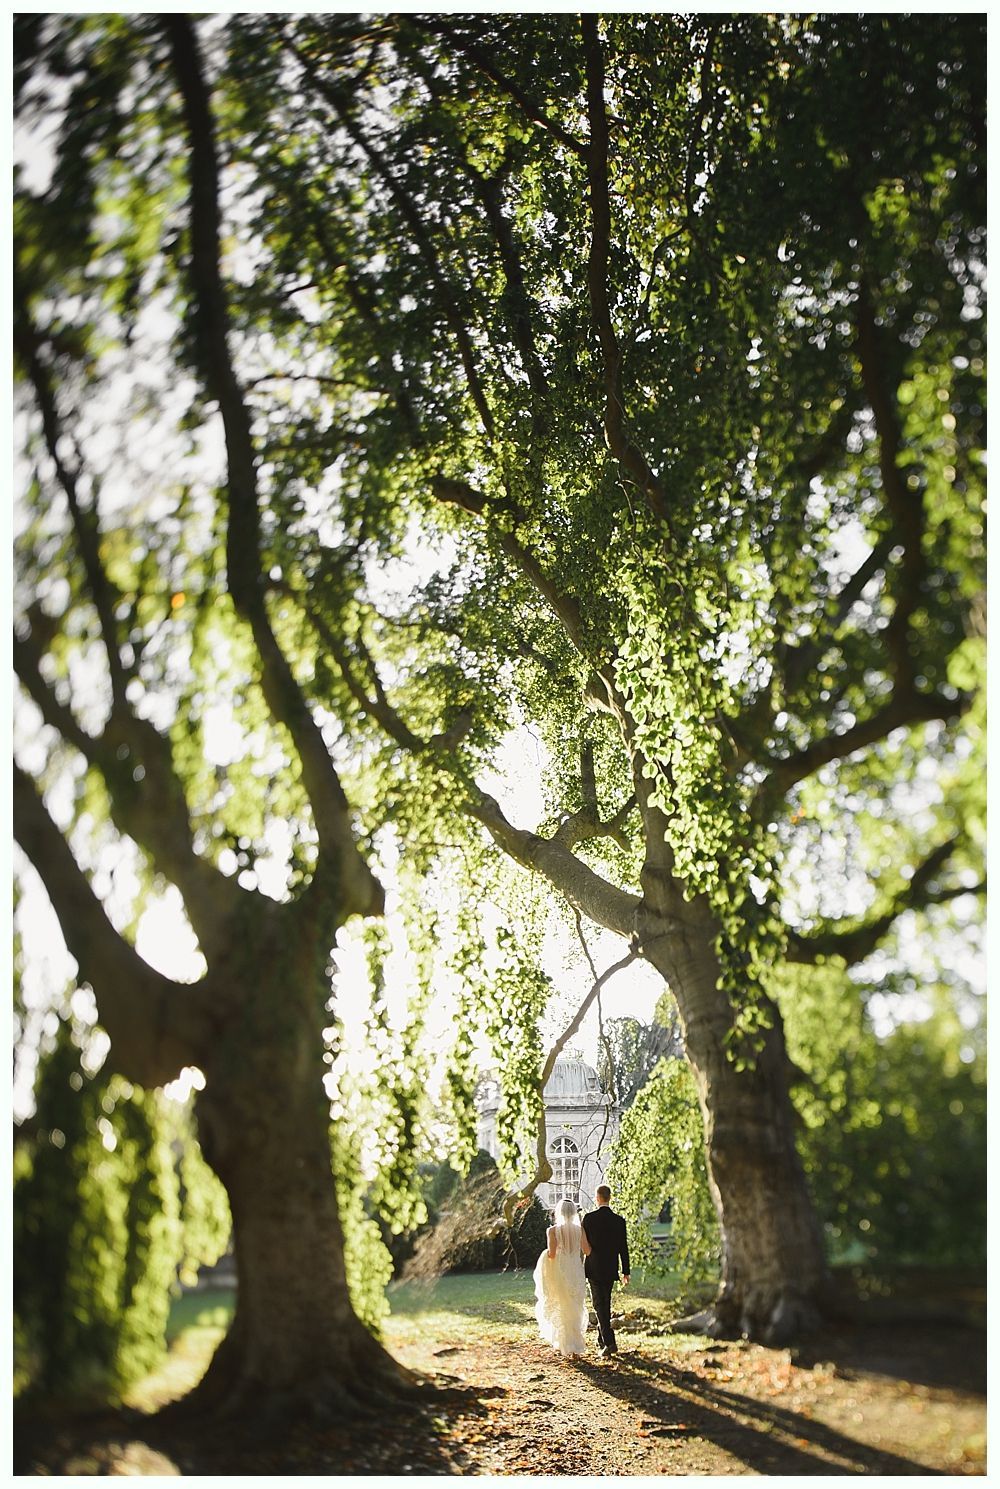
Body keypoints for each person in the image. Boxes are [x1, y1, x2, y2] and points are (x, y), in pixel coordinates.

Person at [532, 1197, 591, 1359]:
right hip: (576, 1270)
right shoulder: (580, 1230)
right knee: (576, 1306)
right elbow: (587, 1251)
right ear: (574, 1212)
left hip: (561, 1270)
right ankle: (576, 1346)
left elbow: (551, 1254)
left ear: (558, 1212)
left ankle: (566, 1344)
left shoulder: (552, 1231)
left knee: (563, 1306)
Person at [582, 1184, 630, 1356]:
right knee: (605, 1303)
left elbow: (584, 1245)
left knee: (598, 1304)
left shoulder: (588, 1219)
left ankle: (610, 1343)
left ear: (597, 1197)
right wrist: (626, 1271)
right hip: (610, 1267)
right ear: (609, 1198)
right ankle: (601, 1339)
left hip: (594, 1267)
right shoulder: (619, 1221)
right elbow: (623, 1248)